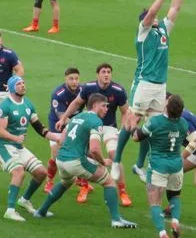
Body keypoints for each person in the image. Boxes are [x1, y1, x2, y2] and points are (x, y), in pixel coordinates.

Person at [111, 0, 192, 183]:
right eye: (152, 16)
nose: (155, 18)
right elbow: (153, 13)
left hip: (160, 85)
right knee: (131, 121)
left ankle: (139, 165)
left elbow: (175, 8)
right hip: (144, 82)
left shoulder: (163, 29)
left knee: (152, 127)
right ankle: (115, 161)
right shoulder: (143, 31)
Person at [35, 93, 137, 228]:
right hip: (75, 161)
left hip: (61, 159)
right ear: (94, 106)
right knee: (109, 181)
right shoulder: (96, 121)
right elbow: (95, 149)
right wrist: (103, 162)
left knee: (66, 182)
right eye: (104, 105)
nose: (107, 109)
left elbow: (63, 140)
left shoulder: (76, 117)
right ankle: (116, 220)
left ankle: (41, 211)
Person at [56, 62, 132, 206]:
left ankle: (122, 191)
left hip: (108, 127)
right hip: (89, 124)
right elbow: (76, 103)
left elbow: (125, 112)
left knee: (114, 155)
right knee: (82, 153)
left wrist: (122, 131)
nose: (106, 75)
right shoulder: (88, 87)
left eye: (109, 72)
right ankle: (84, 187)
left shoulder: (118, 90)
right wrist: (64, 118)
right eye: (103, 72)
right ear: (98, 74)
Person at [0, 76, 61, 221]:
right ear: (11, 88)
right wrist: (15, 138)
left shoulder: (28, 104)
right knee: (19, 172)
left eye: (23, 83)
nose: (23, 86)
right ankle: (10, 210)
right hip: (4, 147)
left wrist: (57, 138)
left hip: (19, 147)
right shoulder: (5, 106)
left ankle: (24, 200)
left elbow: (39, 127)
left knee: (42, 172)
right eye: (19, 84)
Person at [133, 94, 196, 238]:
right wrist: (183, 155)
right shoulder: (183, 123)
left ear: (167, 107)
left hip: (158, 166)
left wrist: (133, 126)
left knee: (155, 201)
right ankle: (175, 221)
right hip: (176, 166)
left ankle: (162, 234)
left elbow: (136, 137)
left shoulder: (155, 122)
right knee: (174, 196)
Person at [44, 67, 88, 199]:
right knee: (57, 157)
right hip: (58, 126)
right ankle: (49, 181)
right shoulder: (58, 94)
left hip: (76, 124)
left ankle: (81, 180)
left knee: (82, 152)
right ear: (66, 79)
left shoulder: (83, 90)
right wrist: (79, 124)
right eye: (71, 79)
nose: (74, 81)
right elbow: (62, 117)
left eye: (76, 78)